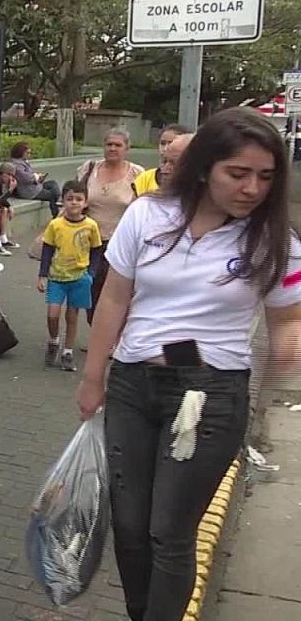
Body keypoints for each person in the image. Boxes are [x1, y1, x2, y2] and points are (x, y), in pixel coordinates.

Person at [75, 107, 301, 621]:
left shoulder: (277, 243)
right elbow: (114, 297)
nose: (252, 188)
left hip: (210, 397)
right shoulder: (148, 215)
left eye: (265, 177)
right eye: (238, 173)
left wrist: (289, 346)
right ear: (204, 169)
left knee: (169, 531)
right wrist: (93, 377)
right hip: (133, 385)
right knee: (130, 527)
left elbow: (287, 321)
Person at [76, 127, 145, 322]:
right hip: (89, 241)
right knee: (91, 290)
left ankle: (114, 338)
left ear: (127, 148)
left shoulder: (137, 173)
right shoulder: (89, 168)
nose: (112, 148)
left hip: (120, 243)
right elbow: (75, 198)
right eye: (109, 144)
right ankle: (98, 332)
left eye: (118, 145)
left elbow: (145, 206)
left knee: (116, 292)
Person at [37, 181, 103, 372]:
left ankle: (67, 352)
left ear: (85, 203)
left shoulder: (91, 226)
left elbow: (96, 250)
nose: (74, 203)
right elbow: (47, 250)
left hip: (79, 277)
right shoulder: (55, 225)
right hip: (57, 277)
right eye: (70, 199)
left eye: (79, 199)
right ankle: (54, 340)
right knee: (53, 314)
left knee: (72, 316)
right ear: (62, 201)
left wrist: (91, 272)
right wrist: (42, 275)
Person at [132, 124, 192, 196]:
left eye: (171, 142)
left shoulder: (196, 181)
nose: (165, 148)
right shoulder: (145, 177)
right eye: (163, 143)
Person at [10, 141, 60, 217]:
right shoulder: (17, 165)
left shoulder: (23, 162)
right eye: (27, 153)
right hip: (29, 191)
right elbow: (26, 178)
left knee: (52, 184)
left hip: (35, 186)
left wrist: (39, 177)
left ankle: (57, 199)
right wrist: (37, 176)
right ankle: (55, 214)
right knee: (51, 195)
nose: (29, 155)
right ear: (20, 153)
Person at [0, 162, 20, 257]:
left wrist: (9, 206)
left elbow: (1, 200)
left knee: (3, 209)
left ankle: (3, 238)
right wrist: (9, 191)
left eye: (12, 175)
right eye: (8, 174)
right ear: (1, 173)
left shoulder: (1, 183)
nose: (10, 178)